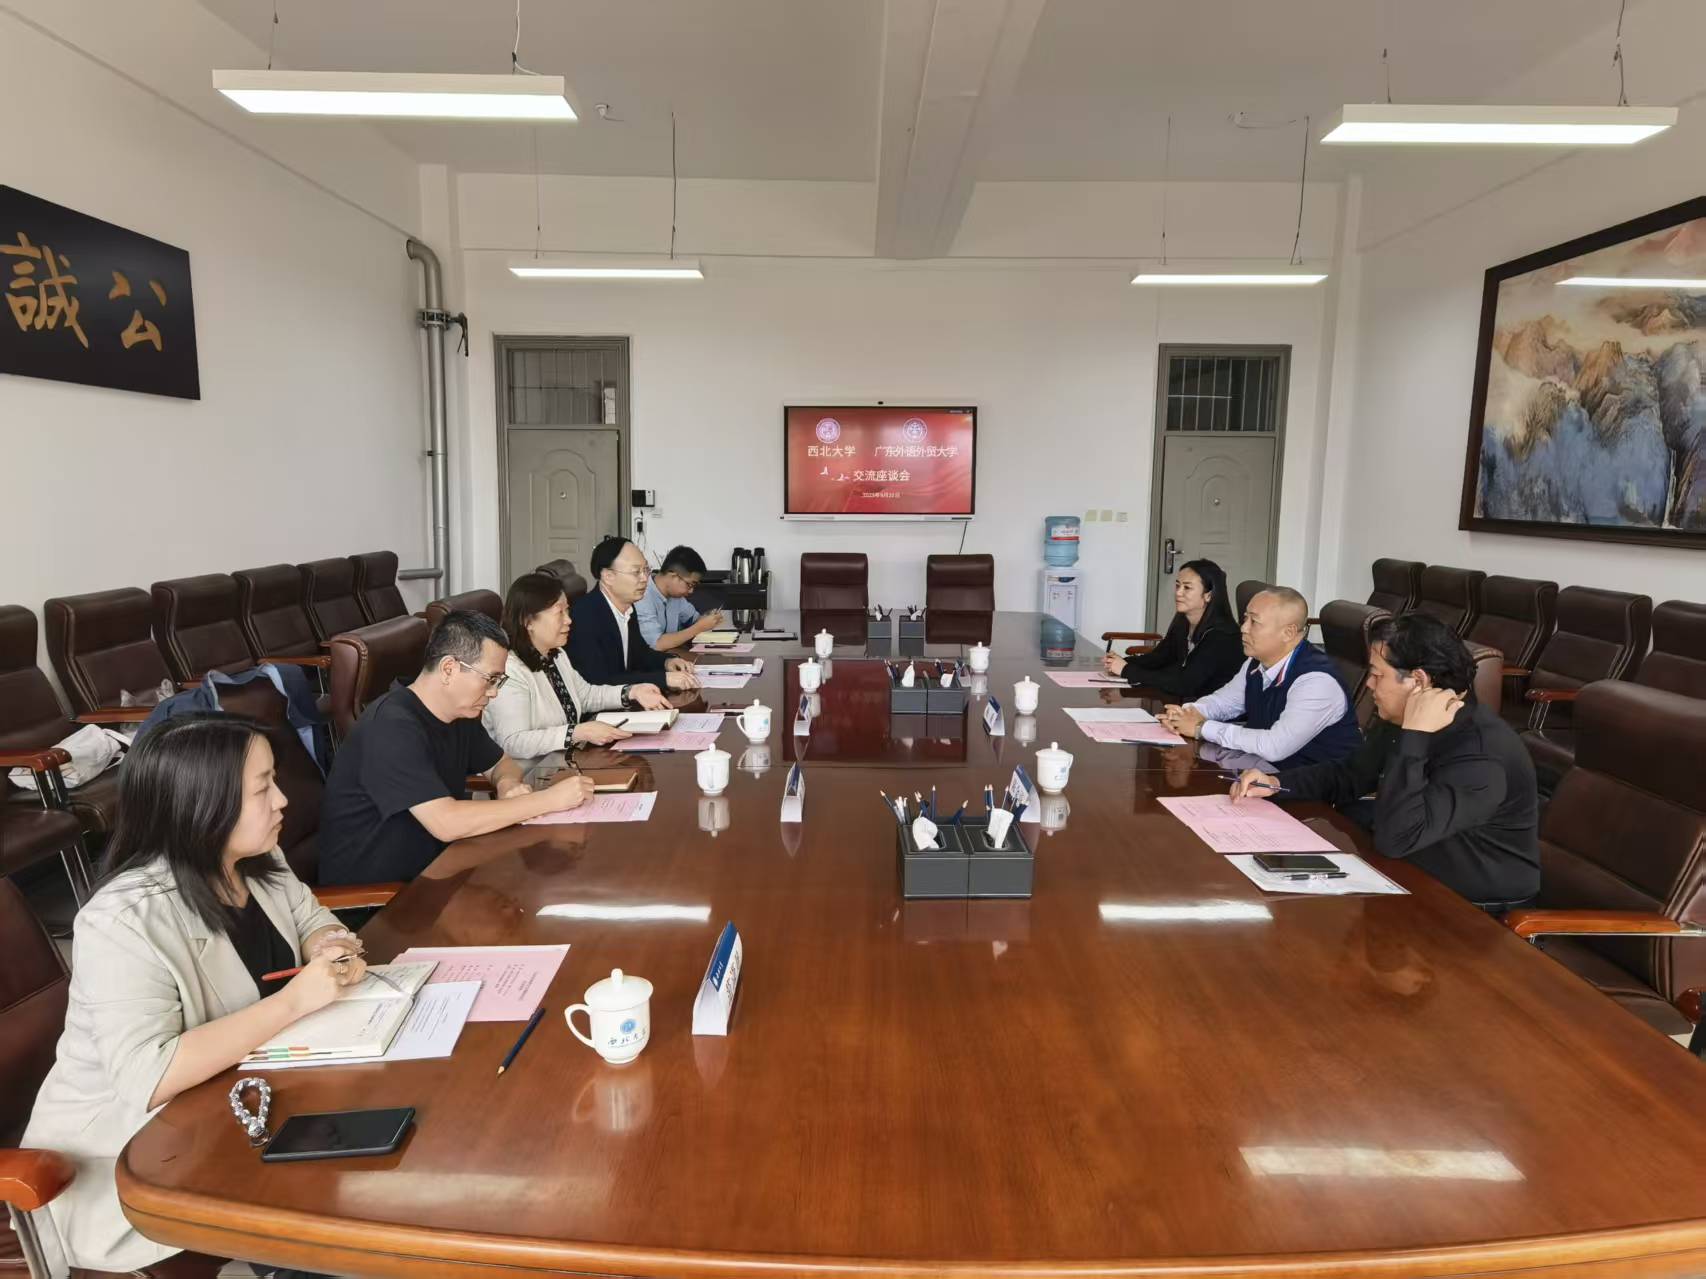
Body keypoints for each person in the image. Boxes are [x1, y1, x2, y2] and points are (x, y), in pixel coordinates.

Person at [21, 714, 370, 1276]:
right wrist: (294, 1001)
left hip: (253, 1101)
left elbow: (311, 918)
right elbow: (148, 1076)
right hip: (130, 1156)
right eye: (263, 788)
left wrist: (329, 944)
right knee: (343, 1216)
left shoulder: (259, 859)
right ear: (202, 804)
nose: (282, 800)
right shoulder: (123, 921)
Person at [1231, 612, 1539, 909]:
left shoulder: (1480, 752)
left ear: (1418, 681)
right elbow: (1350, 774)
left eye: (1378, 675)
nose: (1369, 684)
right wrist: (1275, 782)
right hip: (1413, 868)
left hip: (1475, 903)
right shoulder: (1402, 715)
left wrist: (1415, 735)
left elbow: (1397, 838)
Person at [317, 611, 596, 885]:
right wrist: (547, 800)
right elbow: (445, 823)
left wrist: (507, 785)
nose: (494, 692)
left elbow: (502, 764)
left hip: (439, 869)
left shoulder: (459, 712)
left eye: (499, 681)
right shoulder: (391, 727)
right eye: (490, 679)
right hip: (380, 896)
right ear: (449, 669)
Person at [1158, 585, 1360, 769]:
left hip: (1318, 791)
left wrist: (1201, 728)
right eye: (1245, 618)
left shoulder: (1316, 682)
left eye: (1254, 622)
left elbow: (1274, 746)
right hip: (1267, 774)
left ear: (1288, 632)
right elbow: (1225, 703)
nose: (1243, 628)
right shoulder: (1256, 662)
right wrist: (1186, 714)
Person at [485, 571, 674, 758]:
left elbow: (585, 695)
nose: (568, 620)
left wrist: (632, 692)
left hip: (564, 762)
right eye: (559, 613)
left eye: (567, 610)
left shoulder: (555, 654)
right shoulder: (509, 671)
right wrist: (577, 732)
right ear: (528, 621)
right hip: (532, 772)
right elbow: (514, 742)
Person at [568, 536, 701, 690]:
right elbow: (600, 681)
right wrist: (664, 679)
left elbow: (640, 654)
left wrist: (668, 661)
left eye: (646, 570)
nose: (644, 578)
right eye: (636, 572)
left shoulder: (627, 607)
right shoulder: (585, 616)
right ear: (608, 576)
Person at [1100, 558, 1242, 700]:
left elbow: (1185, 684)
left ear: (1208, 595)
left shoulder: (1222, 636)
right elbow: (1160, 658)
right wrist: (1121, 662)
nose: (1178, 593)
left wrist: (1126, 670)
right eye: (1177, 586)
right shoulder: (1184, 621)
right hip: (1183, 702)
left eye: (1187, 588)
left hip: (1208, 708)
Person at [635, 544, 726, 652]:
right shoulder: (642, 596)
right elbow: (656, 644)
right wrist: (699, 627)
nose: (691, 591)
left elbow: (694, 620)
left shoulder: (676, 597)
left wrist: (707, 618)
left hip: (673, 656)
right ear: (673, 575)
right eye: (690, 585)